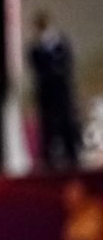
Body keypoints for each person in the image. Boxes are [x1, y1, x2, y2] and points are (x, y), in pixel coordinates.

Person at [29, 10, 80, 169]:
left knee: (66, 122)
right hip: (46, 93)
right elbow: (37, 69)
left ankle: (72, 153)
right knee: (48, 126)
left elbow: (68, 64)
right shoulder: (35, 48)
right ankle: (48, 157)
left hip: (62, 91)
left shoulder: (61, 43)